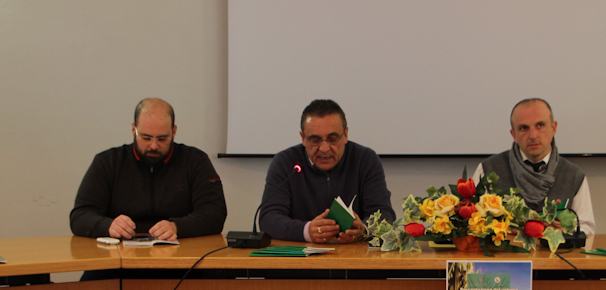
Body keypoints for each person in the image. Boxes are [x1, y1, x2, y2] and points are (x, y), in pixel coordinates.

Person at [70, 98, 227, 241]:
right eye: (146, 138)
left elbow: (215, 213)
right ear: (134, 130)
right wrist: (108, 226)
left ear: (174, 131)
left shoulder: (195, 161)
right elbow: (80, 216)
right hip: (120, 254)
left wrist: (177, 226)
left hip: (181, 251)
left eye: (162, 138)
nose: (153, 146)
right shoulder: (108, 162)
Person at [258, 99, 396, 243]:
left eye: (333, 139)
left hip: (355, 253)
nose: (324, 149)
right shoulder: (285, 162)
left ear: (346, 135)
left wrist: (364, 230)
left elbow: (385, 214)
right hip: (300, 254)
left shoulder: (365, 159)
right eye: (315, 140)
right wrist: (306, 230)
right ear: (303, 138)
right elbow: (268, 218)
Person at [472, 98, 595, 234]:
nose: (533, 135)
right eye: (523, 128)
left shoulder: (574, 175)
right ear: (514, 135)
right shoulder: (488, 170)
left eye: (540, 125)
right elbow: (472, 222)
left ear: (553, 128)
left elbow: (587, 228)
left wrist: (565, 231)